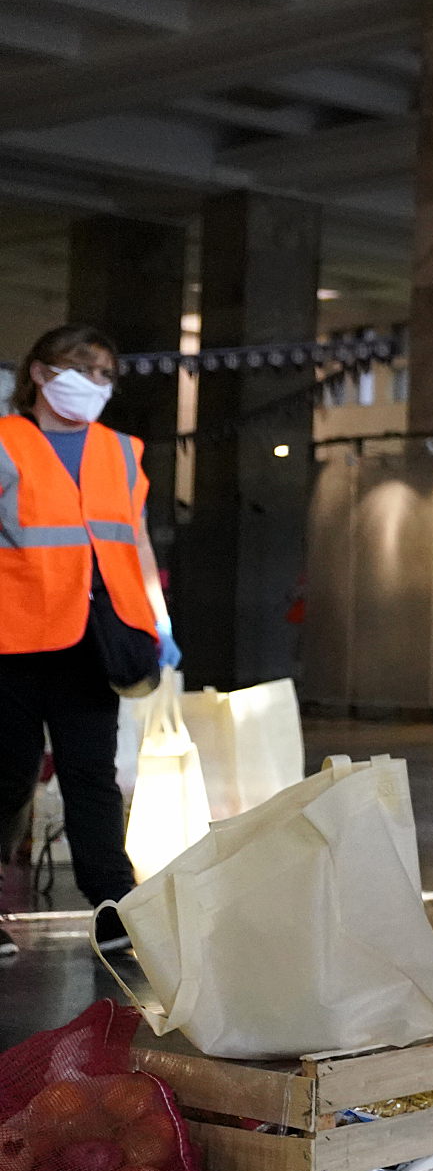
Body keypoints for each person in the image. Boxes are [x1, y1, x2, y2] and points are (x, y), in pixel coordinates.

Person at [0, 325, 180, 963]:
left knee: (91, 778)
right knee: (7, 778)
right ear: (42, 374)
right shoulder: (4, 442)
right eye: (83, 369)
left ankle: (113, 906)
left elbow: (135, 541)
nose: (95, 384)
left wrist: (159, 620)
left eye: (106, 373)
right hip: (13, 638)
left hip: (90, 641)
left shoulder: (122, 451)